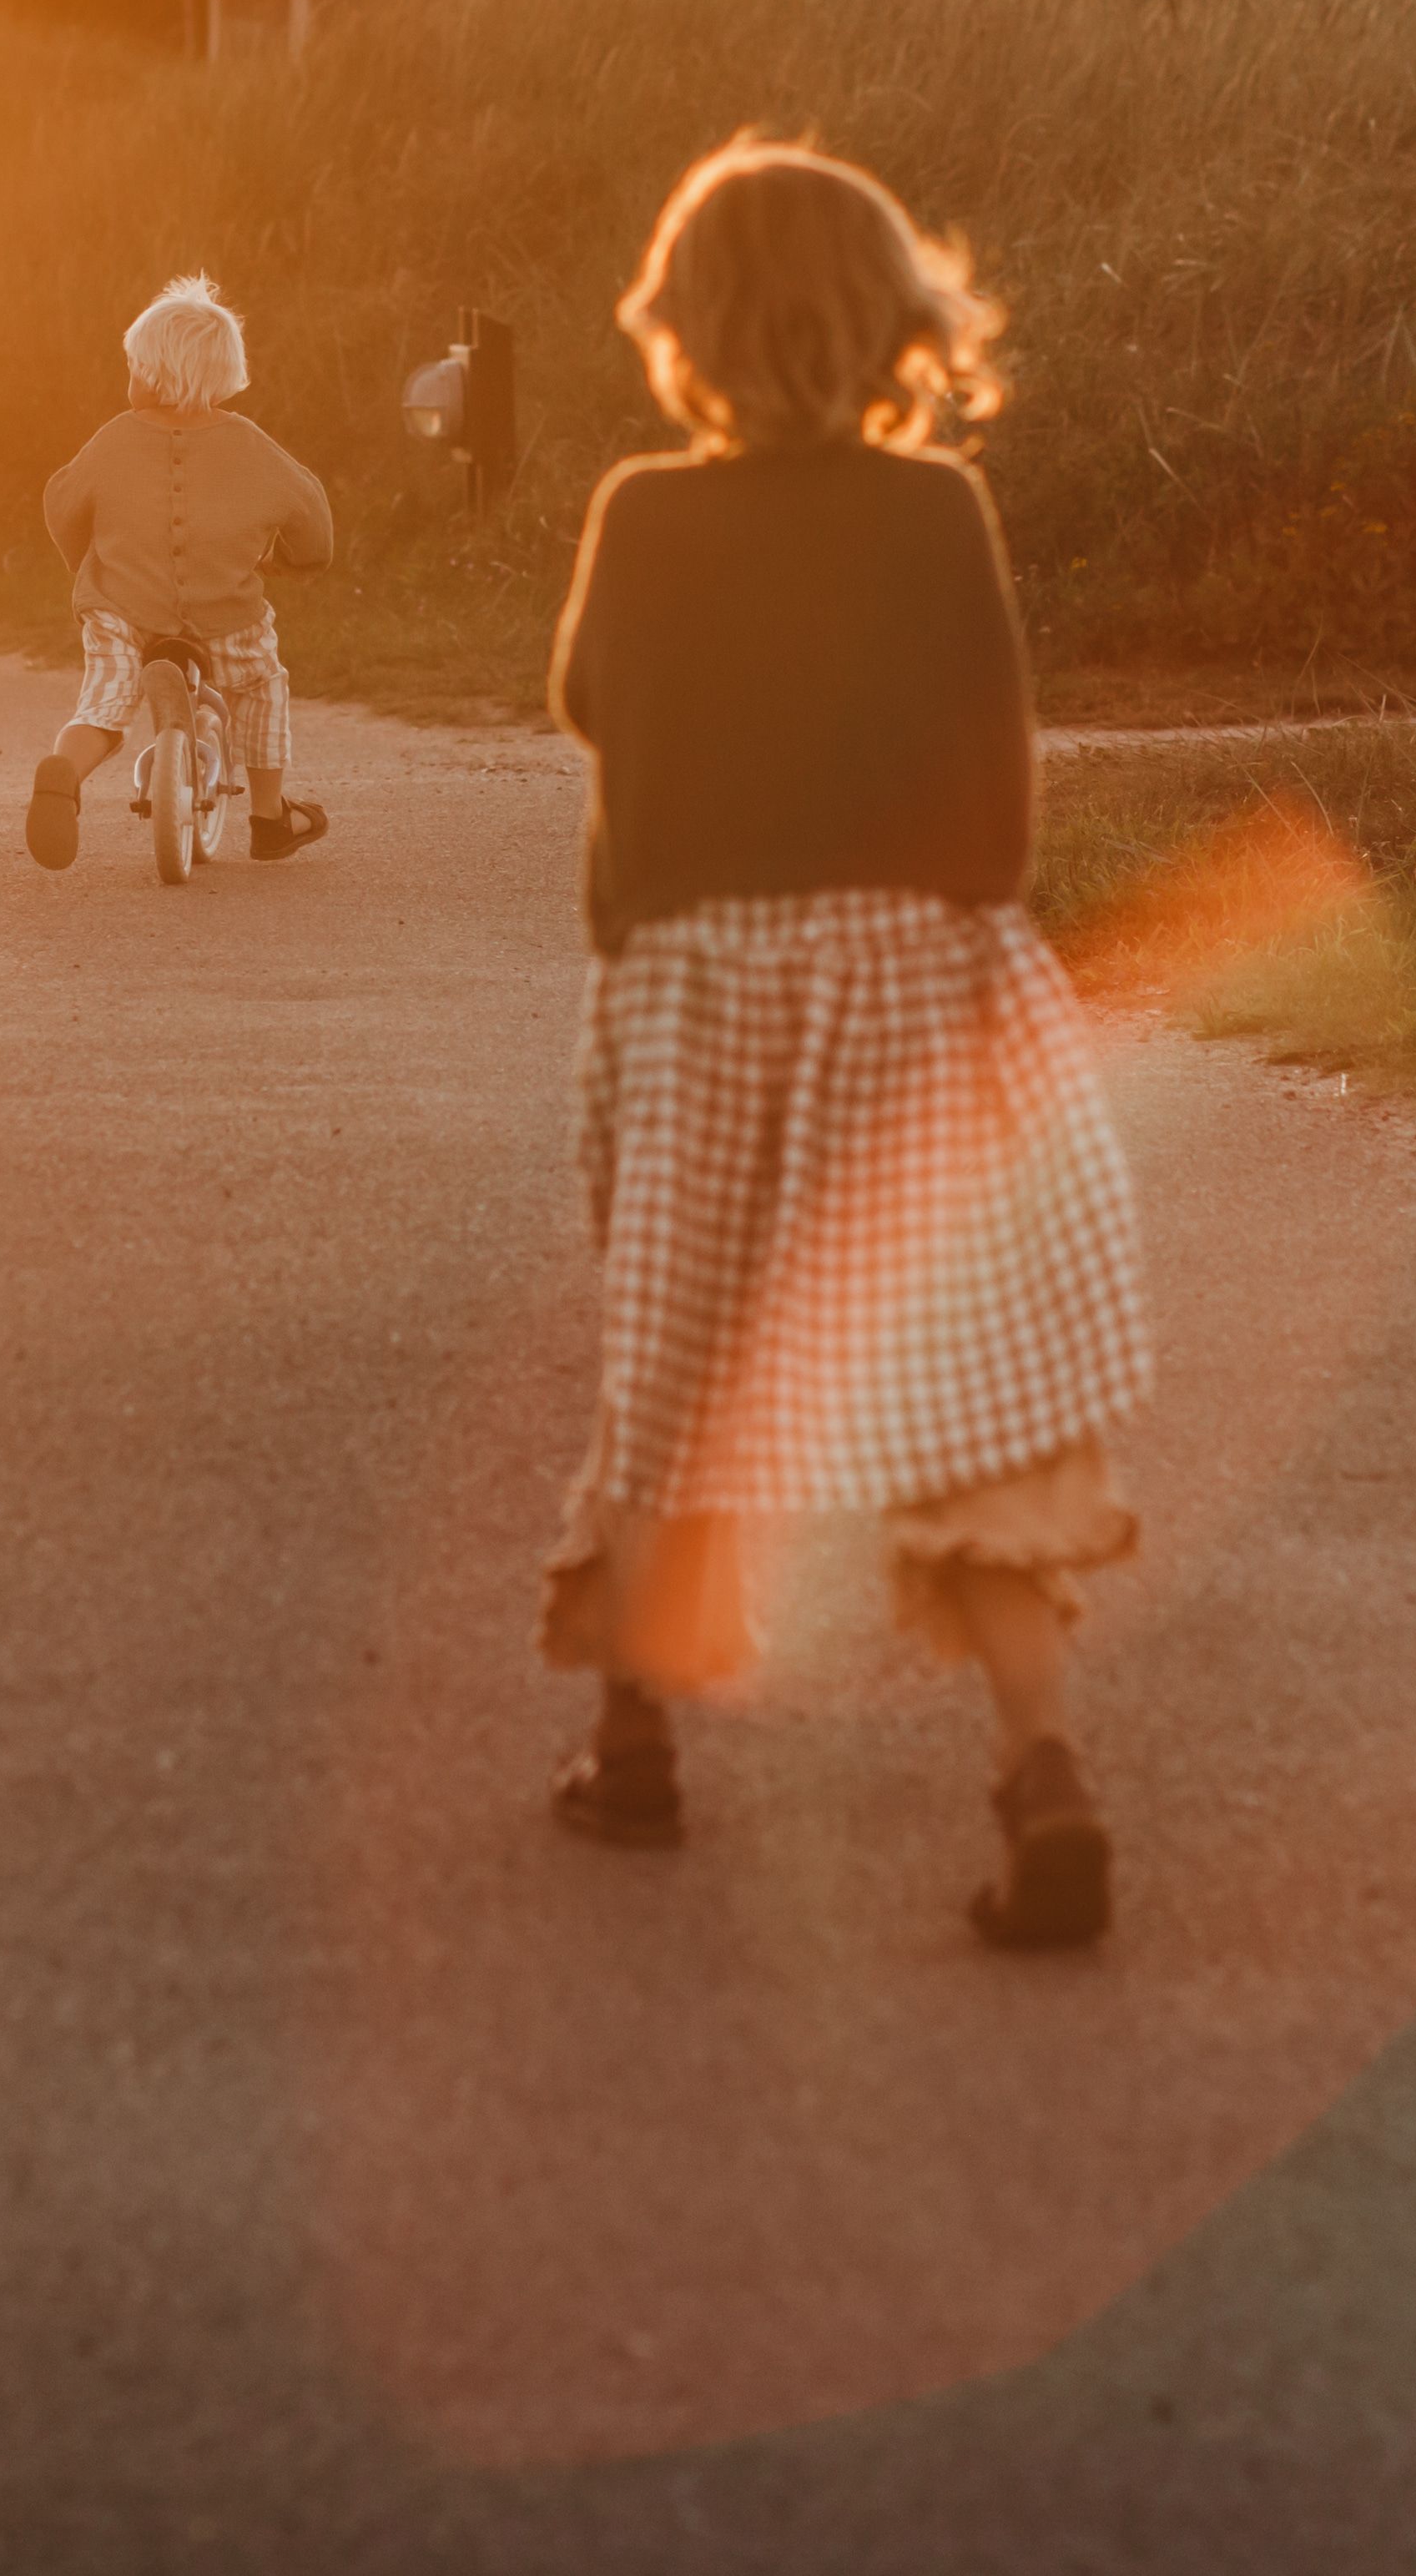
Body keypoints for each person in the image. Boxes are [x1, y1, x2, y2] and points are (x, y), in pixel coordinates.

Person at [537, 137, 1152, 1952]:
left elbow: (586, 699)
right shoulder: (934, 510)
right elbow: (998, 774)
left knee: (678, 1367)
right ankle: (1040, 1762)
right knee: (979, 1398)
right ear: (892, 323)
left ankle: (634, 1736)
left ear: (686, 334)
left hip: (698, 984)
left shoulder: (642, 514)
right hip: (915, 968)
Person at [30, 274, 336, 869]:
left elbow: (61, 501)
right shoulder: (250, 445)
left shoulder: (114, 439)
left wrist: (85, 562)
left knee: (104, 701)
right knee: (259, 688)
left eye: (131, 368)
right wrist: (293, 562)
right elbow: (310, 512)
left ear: (148, 373)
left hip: (120, 608)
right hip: (226, 615)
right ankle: (269, 817)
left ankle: (64, 773)